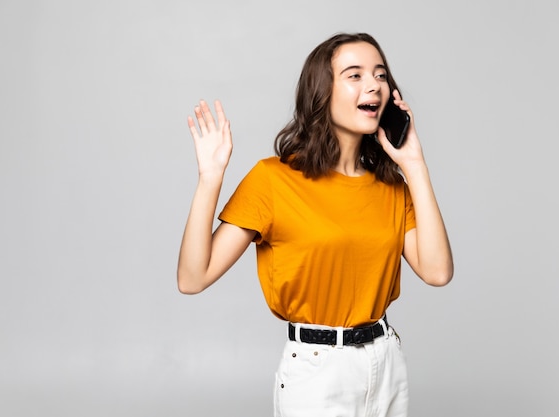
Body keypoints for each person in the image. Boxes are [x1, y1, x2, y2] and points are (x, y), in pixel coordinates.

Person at [177, 32, 453, 417]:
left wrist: (415, 164)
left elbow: (438, 272)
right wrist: (210, 178)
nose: (374, 84)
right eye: (354, 75)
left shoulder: (391, 187)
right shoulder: (273, 180)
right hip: (318, 371)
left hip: (386, 361)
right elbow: (192, 278)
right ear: (322, 93)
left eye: (380, 74)